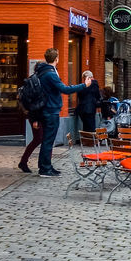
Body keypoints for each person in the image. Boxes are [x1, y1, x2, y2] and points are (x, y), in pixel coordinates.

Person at [33, 48, 89, 177]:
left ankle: (46, 166)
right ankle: (45, 169)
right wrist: (83, 85)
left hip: (47, 109)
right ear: (56, 59)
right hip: (50, 110)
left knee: (47, 140)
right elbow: (64, 89)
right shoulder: (50, 74)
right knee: (48, 141)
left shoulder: (44, 71)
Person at [73, 71, 102, 141]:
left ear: (86, 77)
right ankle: (89, 141)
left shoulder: (85, 86)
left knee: (87, 126)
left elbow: (80, 95)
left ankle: (88, 140)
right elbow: (98, 96)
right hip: (91, 108)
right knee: (90, 125)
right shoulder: (95, 85)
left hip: (84, 108)